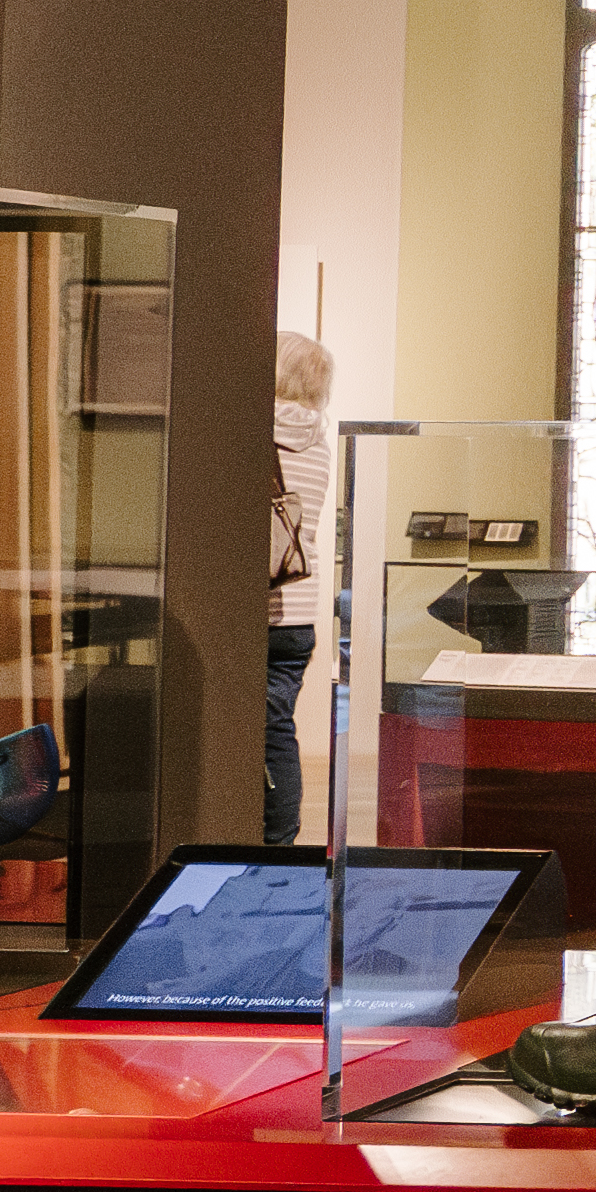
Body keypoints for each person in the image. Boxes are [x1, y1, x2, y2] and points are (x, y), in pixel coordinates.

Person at [263, 332, 332, 845]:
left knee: (264, 737)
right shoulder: (320, 443)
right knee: (278, 733)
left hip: (258, 611)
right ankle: (281, 841)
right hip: (299, 615)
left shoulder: (253, 433)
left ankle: (274, 845)